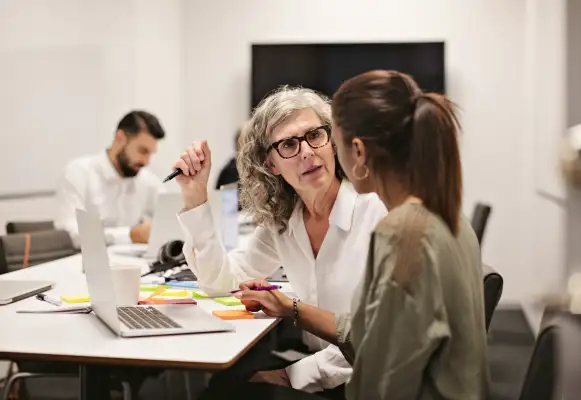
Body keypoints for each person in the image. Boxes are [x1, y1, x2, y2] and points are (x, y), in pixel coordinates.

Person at [227, 70, 489, 399]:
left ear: (358, 151)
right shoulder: (440, 213)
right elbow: (372, 333)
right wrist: (291, 309)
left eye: (325, 137)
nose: (316, 152)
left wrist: (289, 376)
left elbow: (379, 379)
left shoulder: (400, 232)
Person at [173, 87, 387, 396]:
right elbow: (222, 282)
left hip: (366, 380)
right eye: (289, 144)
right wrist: (194, 197)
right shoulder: (286, 221)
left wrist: (292, 376)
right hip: (316, 363)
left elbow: (381, 336)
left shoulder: (376, 214)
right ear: (270, 164)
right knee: (223, 384)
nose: (307, 152)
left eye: (315, 135)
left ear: (333, 141)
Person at [55, 110, 165, 248]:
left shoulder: (147, 180)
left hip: (137, 264)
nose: (146, 161)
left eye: (151, 153)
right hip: (87, 264)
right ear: (120, 138)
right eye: (142, 151)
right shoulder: (78, 173)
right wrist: (130, 235)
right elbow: (68, 232)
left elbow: (169, 217)